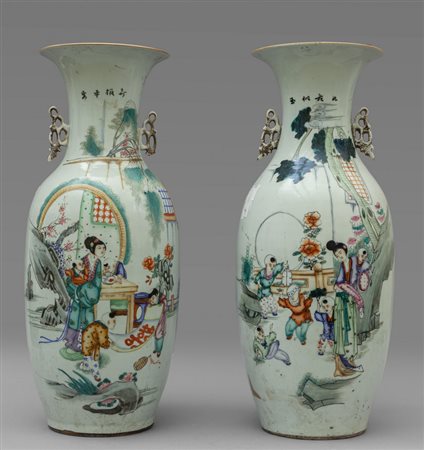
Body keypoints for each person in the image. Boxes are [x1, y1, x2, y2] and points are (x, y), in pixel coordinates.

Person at [326, 240, 364, 377]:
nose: (339, 256)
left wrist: (362, 257)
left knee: (350, 329)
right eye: (337, 255)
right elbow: (340, 283)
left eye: (340, 253)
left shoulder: (353, 261)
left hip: (350, 299)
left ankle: (349, 360)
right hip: (342, 300)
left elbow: (362, 265)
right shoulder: (342, 266)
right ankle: (341, 365)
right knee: (341, 329)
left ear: (345, 250)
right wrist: (340, 286)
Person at [63, 236, 106, 352]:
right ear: (92, 248)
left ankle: (87, 343)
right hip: (78, 291)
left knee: (88, 316)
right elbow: (73, 276)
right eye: (99, 248)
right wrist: (79, 291)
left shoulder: (98, 262)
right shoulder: (83, 261)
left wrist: (93, 292)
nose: (102, 250)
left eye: (103, 248)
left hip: (89, 294)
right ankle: (73, 342)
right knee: (77, 316)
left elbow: (97, 281)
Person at [254, 255, 285, 319]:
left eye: (274, 265)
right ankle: (264, 315)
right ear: (266, 264)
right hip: (262, 292)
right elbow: (256, 279)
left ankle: (274, 311)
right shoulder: (262, 272)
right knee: (264, 305)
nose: (272, 267)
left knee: (272, 302)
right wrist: (258, 284)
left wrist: (283, 265)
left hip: (268, 291)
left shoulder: (273, 271)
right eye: (270, 265)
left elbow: (279, 267)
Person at [152, 293, 167, 358]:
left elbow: (164, 309)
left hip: (162, 320)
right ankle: (156, 349)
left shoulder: (164, 302)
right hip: (159, 319)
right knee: (156, 335)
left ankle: (159, 351)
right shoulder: (161, 301)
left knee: (160, 335)